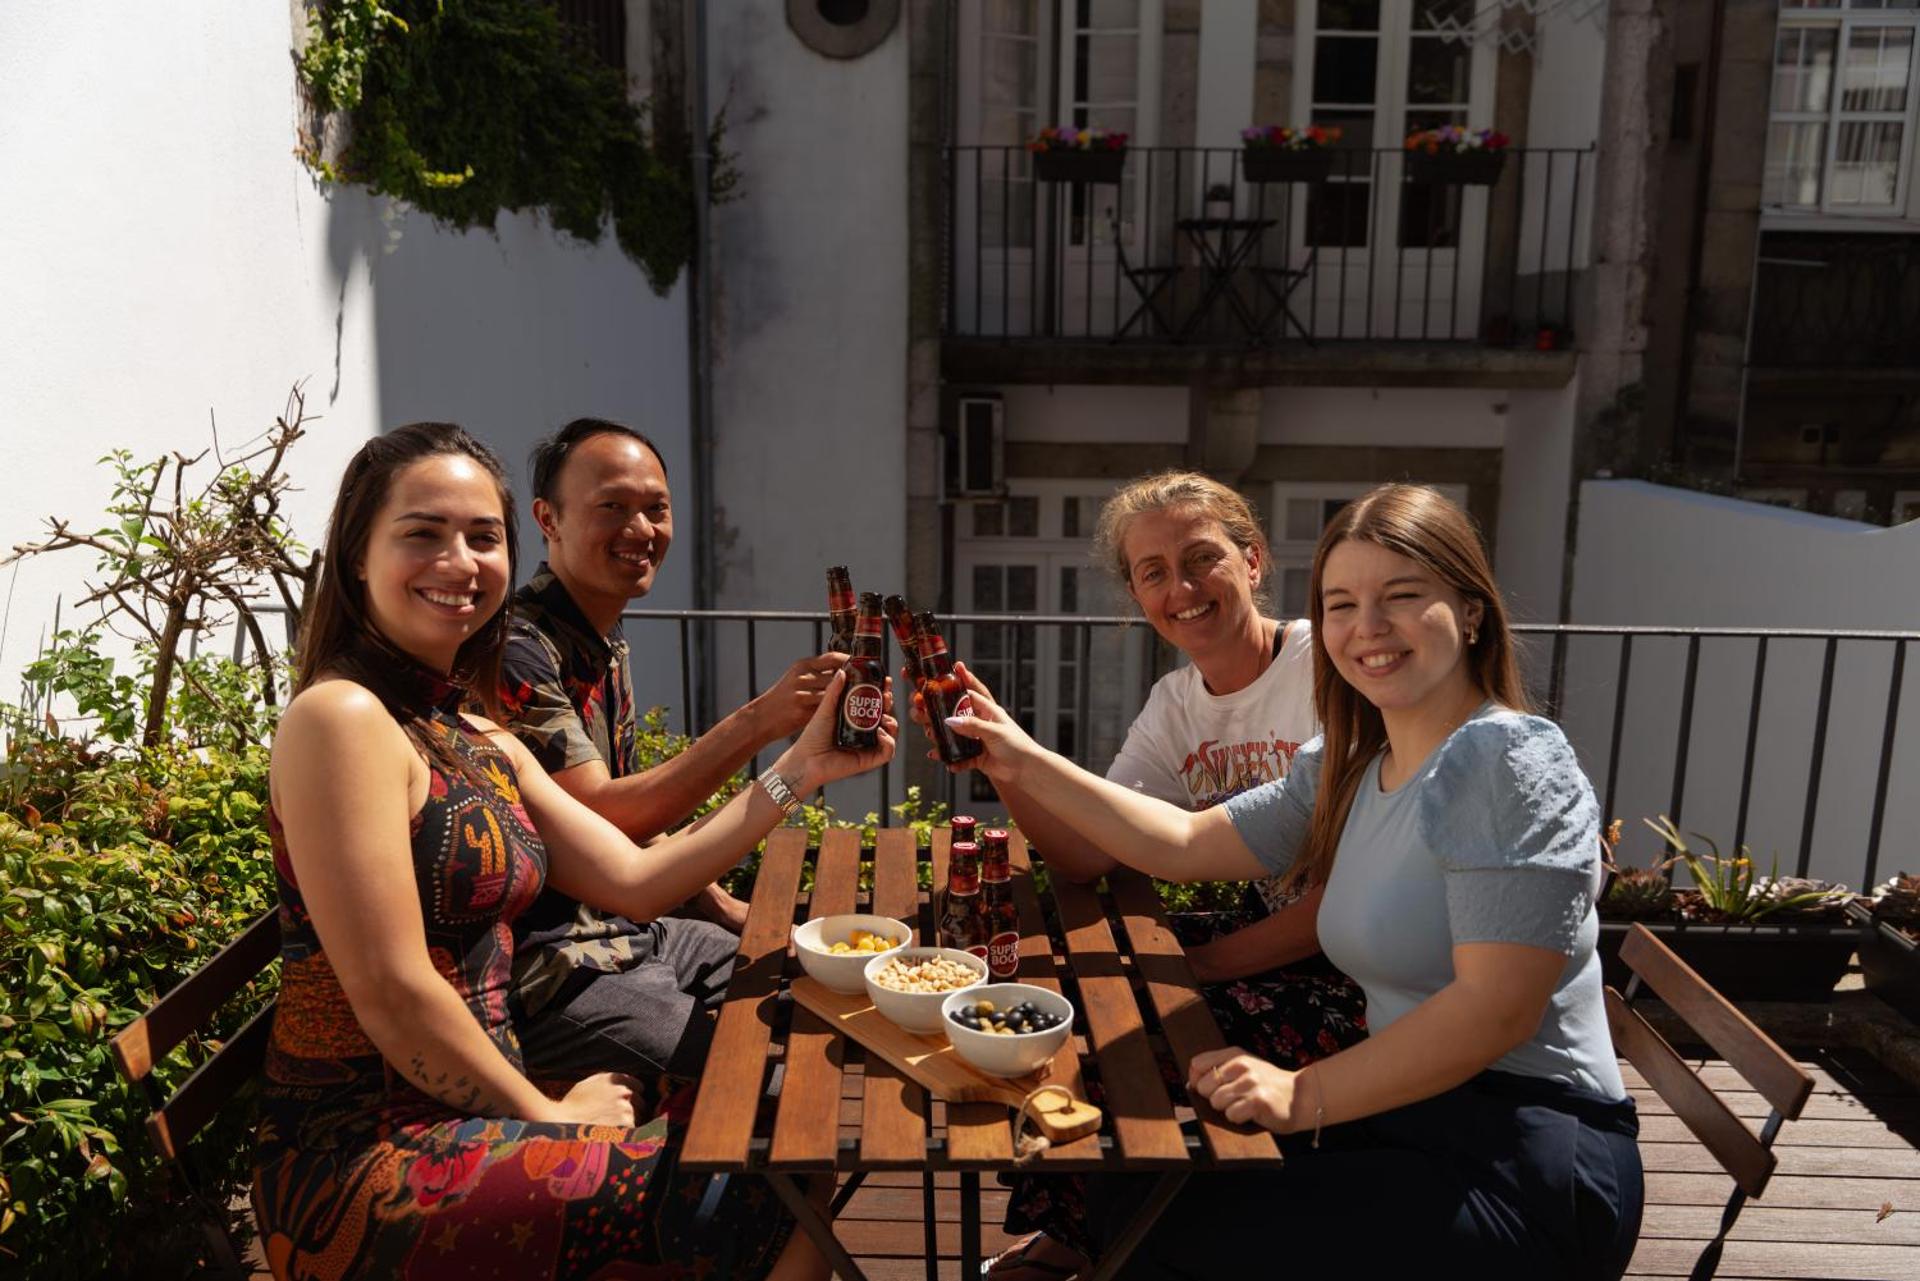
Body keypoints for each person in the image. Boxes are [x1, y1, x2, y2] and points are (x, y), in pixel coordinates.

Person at [934, 483, 1642, 1280]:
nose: (1367, 626)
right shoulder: (1352, 761)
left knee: (1160, 1231)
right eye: (1342, 604)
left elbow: (1496, 1009)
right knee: (1130, 1194)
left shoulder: (1506, 759)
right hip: (1409, 1118)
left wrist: (1301, 1094)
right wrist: (1017, 755)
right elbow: (1184, 841)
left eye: (1400, 596)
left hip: (1525, 1158)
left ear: (1471, 609)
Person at [252, 423, 890, 1280]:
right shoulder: (342, 718)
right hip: (363, 1160)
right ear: (358, 557)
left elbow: (638, 878)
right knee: (760, 1187)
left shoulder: (470, 732)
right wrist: (543, 1113)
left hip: (478, 1108)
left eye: (483, 537)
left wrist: (801, 768)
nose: (460, 562)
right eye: (423, 533)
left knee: (786, 1137)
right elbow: (393, 990)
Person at [950, 472, 1365, 1279]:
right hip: (1279, 939)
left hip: (1355, 975)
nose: (1181, 588)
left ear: (1252, 560)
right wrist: (1004, 761)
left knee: (1123, 1034)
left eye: (1201, 557)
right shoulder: (1177, 703)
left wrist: (1194, 967)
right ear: (1138, 595)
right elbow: (1089, 852)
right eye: (1153, 572)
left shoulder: (1328, 666)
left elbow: (1343, 905)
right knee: (1060, 1000)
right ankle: (1078, 1233)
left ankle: (1103, 1241)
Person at [496, 417, 843, 1082]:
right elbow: (608, 815)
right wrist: (762, 720)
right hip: (553, 969)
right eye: (611, 507)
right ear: (548, 519)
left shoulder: (599, 637)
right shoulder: (517, 652)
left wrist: (720, 904)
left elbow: (629, 829)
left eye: (656, 508)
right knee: (767, 1079)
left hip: (629, 933)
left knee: (824, 996)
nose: (641, 529)